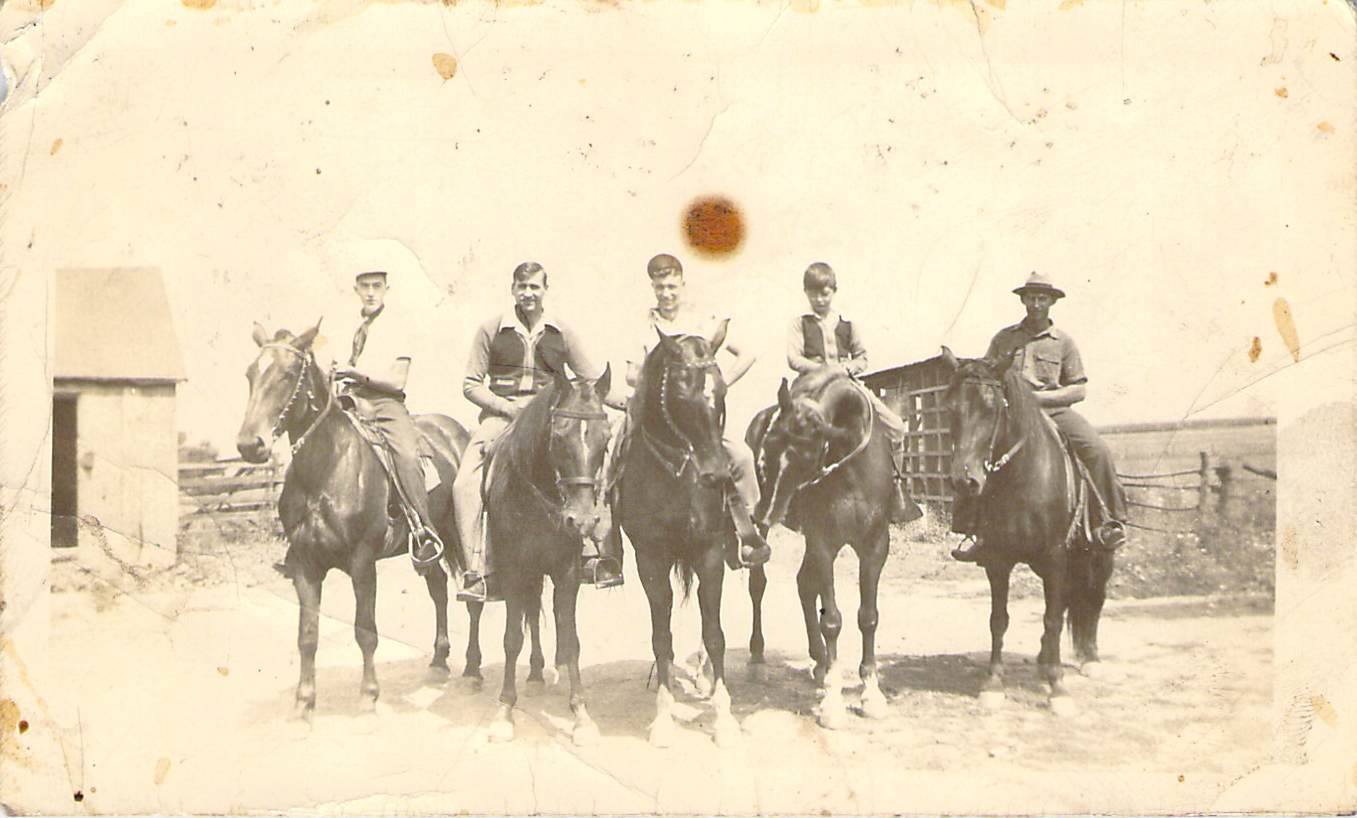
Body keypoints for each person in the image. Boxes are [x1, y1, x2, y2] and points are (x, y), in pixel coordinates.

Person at [452, 262, 623, 603]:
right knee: (465, 483)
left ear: (545, 289)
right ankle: (478, 568)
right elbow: (471, 384)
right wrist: (506, 407)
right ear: (513, 289)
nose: (528, 293)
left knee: (594, 467)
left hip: (551, 418)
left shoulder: (561, 332)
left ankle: (596, 554)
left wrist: (632, 402)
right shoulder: (491, 329)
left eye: (535, 287)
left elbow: (589, 378)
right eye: (522, 287)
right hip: (505, 415)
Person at [603, 252, 771, 567]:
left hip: (698, 414)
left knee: (742, 456)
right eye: (659, 287)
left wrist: (718, 386)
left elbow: (747, 352)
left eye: (671, 286)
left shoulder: (703, 320)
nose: (666, 294)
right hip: (656, 414)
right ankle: (609, 545)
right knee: (612, 454)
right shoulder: (644, 323)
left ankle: (748, 532)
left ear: (682, 284)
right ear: (652, 287)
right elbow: (630, 373)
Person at [950, 272, 1129, 562]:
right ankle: (971, 529)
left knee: (1097, 450)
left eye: (1042, 298)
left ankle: (1108, 522)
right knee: (972, 454)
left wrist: (1037, 399)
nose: (1035, 304)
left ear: (1051, 302)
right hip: (1010, 418)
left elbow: (1078, 390)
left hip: (1054, 412)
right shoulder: (1004, 339)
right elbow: (987, 376)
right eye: (1031, 297)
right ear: (1022, 300)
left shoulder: (1063, 343)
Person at [321, 269, 444, 573]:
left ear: (387, 288)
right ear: (356, 289)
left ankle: (423, 530)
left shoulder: (398, 326)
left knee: (407, 453)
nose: (371, 292)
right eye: (365, 286)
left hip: (385, 403)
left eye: (377, 286)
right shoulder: (350, 325)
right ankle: (308, 528)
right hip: (350, 399)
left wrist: (358, 374)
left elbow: (398, 381)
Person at [787, 262, 918, 523]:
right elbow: (793, 358)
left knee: (896, 427)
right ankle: (792, 500)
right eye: (813, 293)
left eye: (824, 292)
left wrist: (846, 369)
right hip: (811, 385)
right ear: (806, 293)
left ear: (834, 291)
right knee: (794, 430)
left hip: (848, 383)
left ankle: (896, 490)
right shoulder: (799, 323)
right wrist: (824, 369)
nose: (819, 298)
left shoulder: (847, 324)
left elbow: (862, 358)